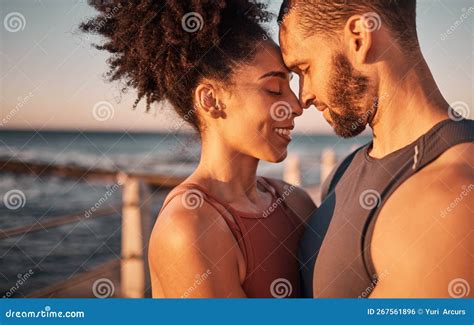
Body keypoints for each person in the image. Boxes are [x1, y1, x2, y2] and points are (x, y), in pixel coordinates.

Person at [81, 0, 316, 298]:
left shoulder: (296, 202)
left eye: (291, 87)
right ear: (210, 100)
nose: (296, 106)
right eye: (273, 89)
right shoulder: (189, 227)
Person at [278, 0, 473, 298]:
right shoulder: (344, 172)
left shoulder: (451, 198)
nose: (303, 97)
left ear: (359, 37)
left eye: (305, 68)